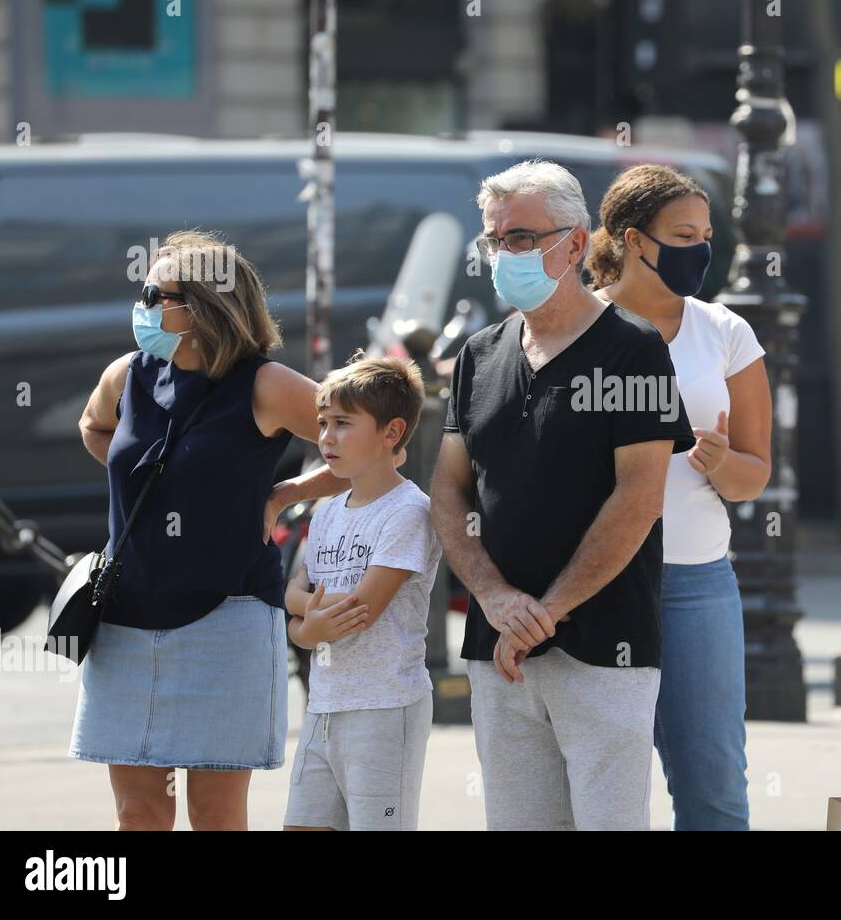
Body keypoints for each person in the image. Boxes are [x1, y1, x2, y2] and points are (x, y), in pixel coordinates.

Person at [429, 159, 695, 830]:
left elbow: (638, 498)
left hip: (605, 648)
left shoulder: (633, 351)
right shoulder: (479, 355)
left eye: (521, 237)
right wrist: (494, 598)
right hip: (499, 651)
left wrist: (547, 610)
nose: (503, 254)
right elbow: (449, 490)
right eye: (494, 240)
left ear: (575, 244)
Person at [72, 229, 359, 830]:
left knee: (216, 816)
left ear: (204, 306)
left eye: (156, 293)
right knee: (138, 815)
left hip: (226, 621)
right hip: (124, 617)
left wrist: (288, 494)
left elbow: (367, 447)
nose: (143, 305)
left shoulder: (266, 384)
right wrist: (155, 481)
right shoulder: (128, 374)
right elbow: (95, 428)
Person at [585, 164, 771, 830]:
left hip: (696, 583)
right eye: (683, 234)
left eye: (706, 234)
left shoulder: (725, 332)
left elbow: (756, 476)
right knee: (603, 790)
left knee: (714, 787)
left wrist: (721, 464)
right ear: (634, 241)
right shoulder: (577, 327)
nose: (701, 249)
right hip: (593, 582)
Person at [282, 353, 442, 831]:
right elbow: (293, 590)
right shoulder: (327, 511)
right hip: (324, 707)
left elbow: (361, 609)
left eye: (343, 424)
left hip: (386, 708)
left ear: (391, 433)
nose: (326, 437)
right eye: (322, 423)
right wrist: (307, 629)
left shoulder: (408, 512)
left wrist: (306, 622)